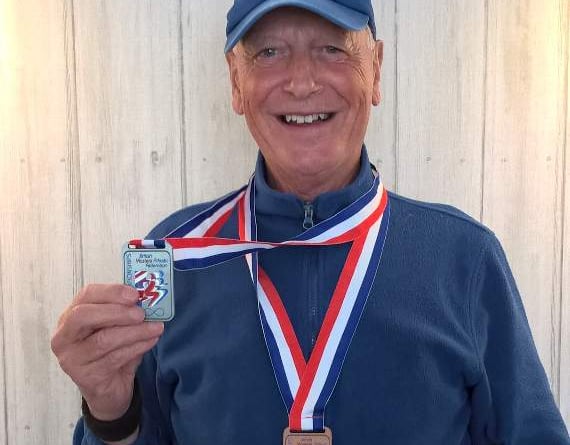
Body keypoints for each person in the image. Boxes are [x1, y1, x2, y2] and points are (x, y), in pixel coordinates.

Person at [51, 1, 570, 444]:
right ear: (236, 82)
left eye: (333, 48)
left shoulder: (464, 259)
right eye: (269, 52)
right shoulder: (176, 257)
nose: (302, 82)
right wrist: (110, 410)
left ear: (376, 71)